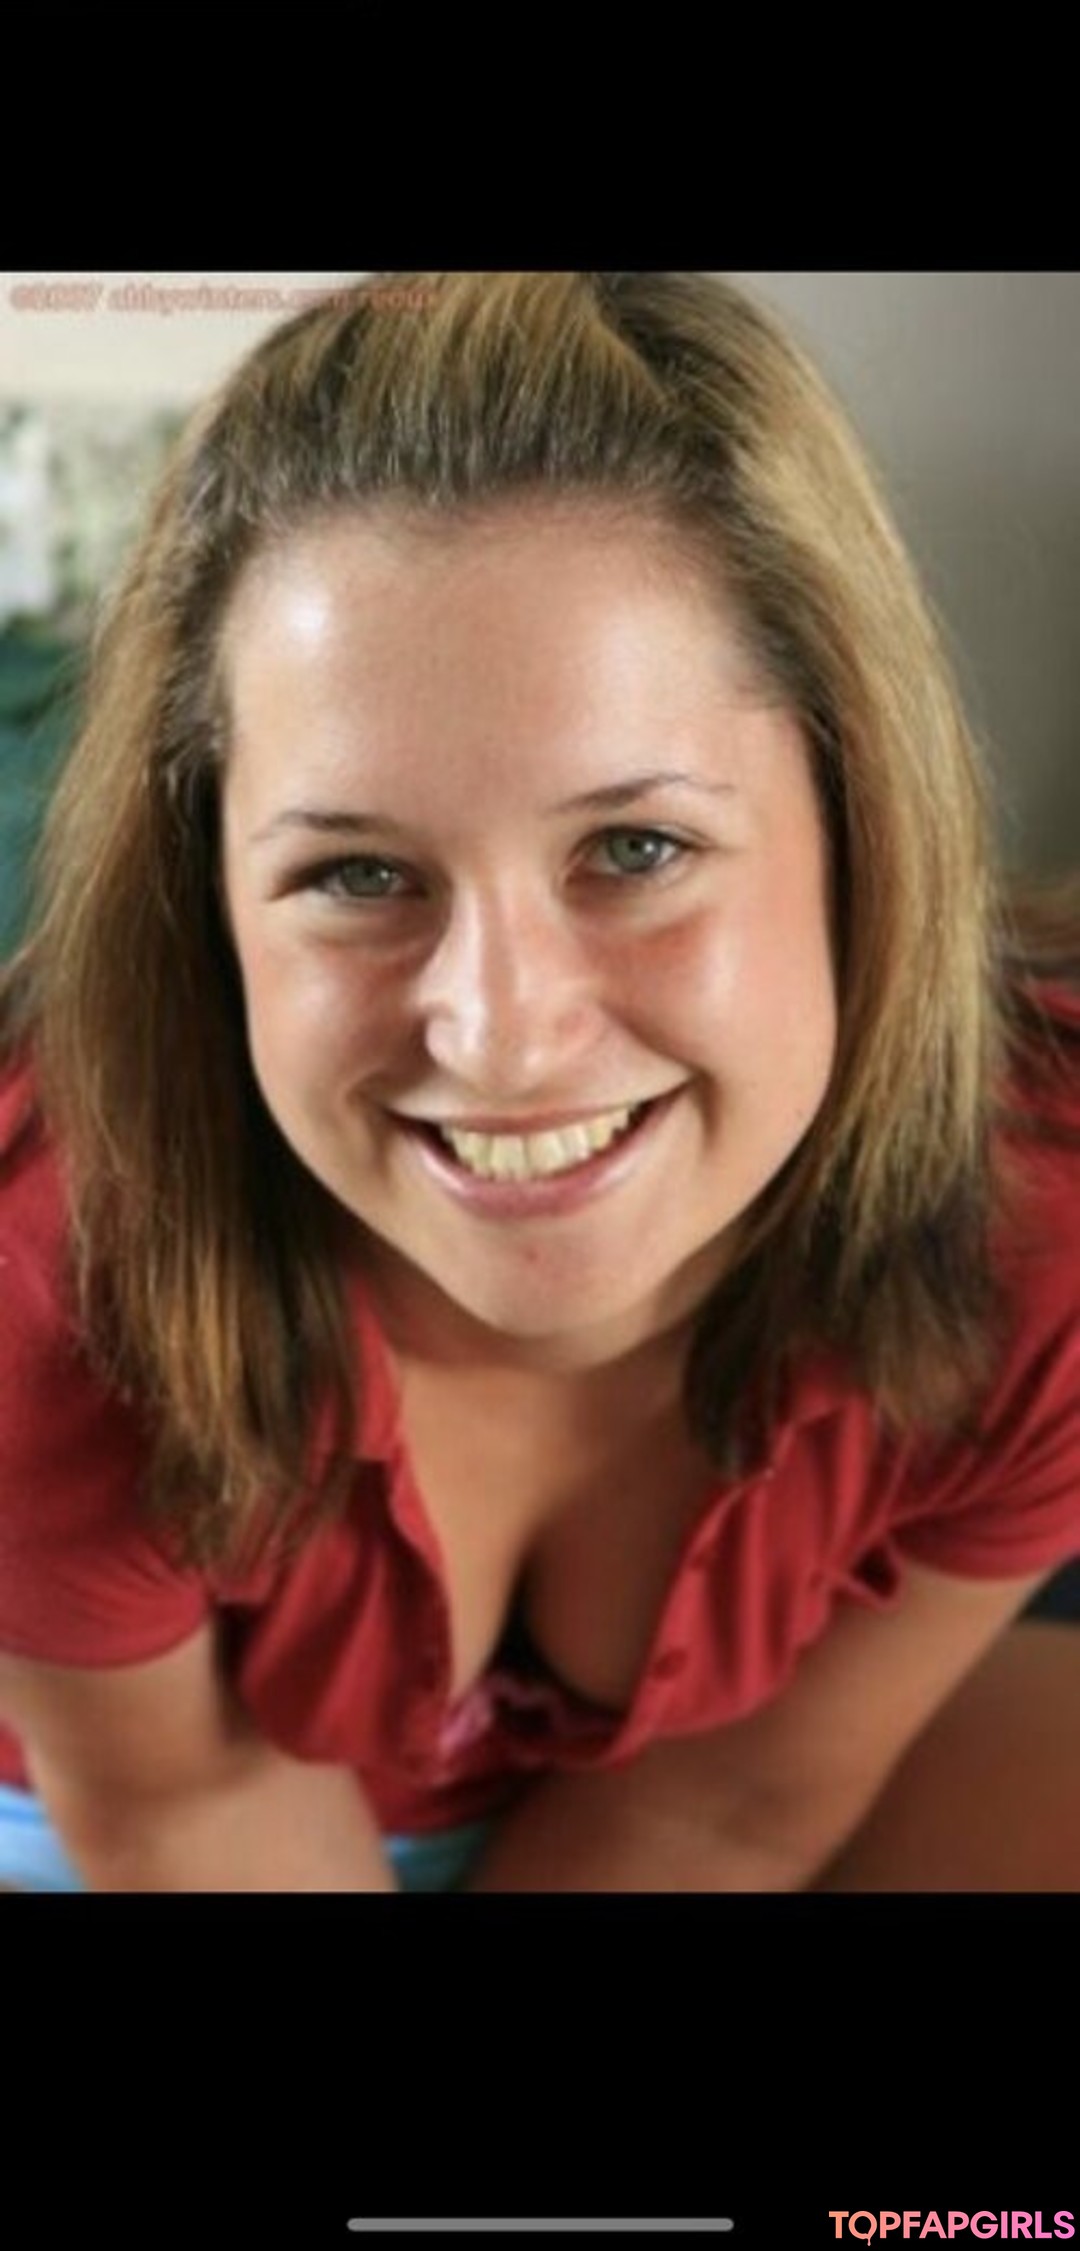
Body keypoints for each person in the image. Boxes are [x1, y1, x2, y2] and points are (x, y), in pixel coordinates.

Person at [1, 270, 1079, 1894]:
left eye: (635, 850)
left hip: (699, 1777)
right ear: (205, 905)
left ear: (863, 828)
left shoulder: (1050, 1219)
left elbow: (737, 1803)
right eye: (359, 876)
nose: (501, 1037)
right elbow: (185, 1807)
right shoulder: (40, 1274)